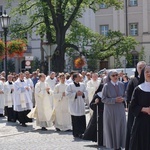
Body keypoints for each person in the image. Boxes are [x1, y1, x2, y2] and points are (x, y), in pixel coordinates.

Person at [102, 70, 126, 150]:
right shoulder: (106, 86)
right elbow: (103, 99)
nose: (115, 77)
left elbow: (125, 96)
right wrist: (114, 100)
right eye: (113, 75)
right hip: (110, 110)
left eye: (116, 75)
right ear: (109, 77)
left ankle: (120, 145)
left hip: (120, 109)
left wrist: (123, 99)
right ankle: (113, 146)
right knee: (112, 127)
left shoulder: (121, 84)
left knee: (121, 126)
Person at [125, 61, 146, 150]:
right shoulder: (133, 80)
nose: (141, 69)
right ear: (137, 69)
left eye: (143, 67)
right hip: (135, 111)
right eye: (140, 68)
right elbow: (128, 95)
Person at [129, 65, 150, 150]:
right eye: (147, 72)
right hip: (141, 122)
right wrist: (144, 109)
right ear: (143, 74)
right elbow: (133, 106)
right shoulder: (138, 89)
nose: (149, 73)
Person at [66, 73, 88, 138]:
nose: (80, 78)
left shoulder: (83, 85)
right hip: (74, 104)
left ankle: (82, 132)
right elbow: (68, 94)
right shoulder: (70, 85)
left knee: (82, 118)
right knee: (75, 119)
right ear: (75, 78)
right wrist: (75, 94)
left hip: (81, 103)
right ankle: (76, 133)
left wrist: (82, 93)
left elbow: (86, 92)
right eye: (79, 77)